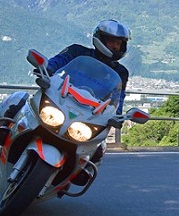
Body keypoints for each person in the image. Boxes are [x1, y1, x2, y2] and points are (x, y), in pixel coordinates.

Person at [47, 19, 131, 182]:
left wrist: (117, 115)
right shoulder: (77, 52)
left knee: (98, 148)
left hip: (91, 112)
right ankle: (5, 132)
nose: (115, 46)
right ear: (100, 38)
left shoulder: (121, 72)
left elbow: (118, 97)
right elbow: (57, 61)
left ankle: (75, 173)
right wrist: (47, 68)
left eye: (119, 43)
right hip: (63, 99)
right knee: (21, 103)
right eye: (111, 41)